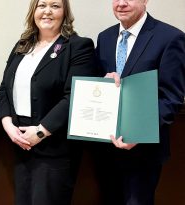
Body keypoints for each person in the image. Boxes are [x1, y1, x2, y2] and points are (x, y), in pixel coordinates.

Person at [0, 0, 98, 204]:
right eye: (42, 5)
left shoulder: (78, 46)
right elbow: (4, 90)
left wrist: (41, 131)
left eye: (55, 6)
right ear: (33, 11)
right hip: (21, 145)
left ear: (65, 12)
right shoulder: (22, 45)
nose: (47, 11)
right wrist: (8, 125)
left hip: (55, 150)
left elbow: (75, 96)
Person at [93, 0, 185, 204]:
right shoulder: (105, 37)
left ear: (145, 0)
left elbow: (172, 98)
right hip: (106, 149)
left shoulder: (170, 37)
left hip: (144, 153)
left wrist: (139, 133)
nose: (121, 3)